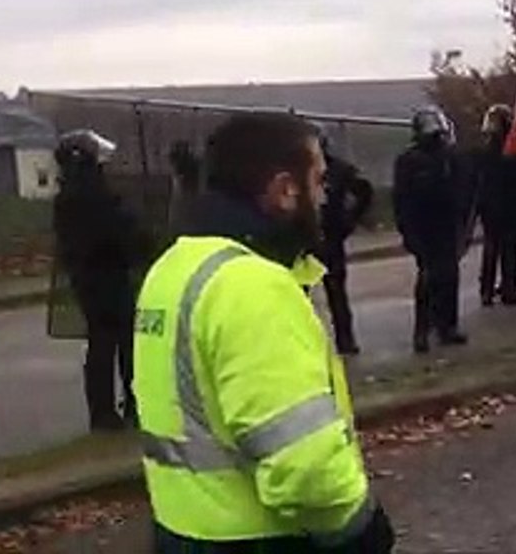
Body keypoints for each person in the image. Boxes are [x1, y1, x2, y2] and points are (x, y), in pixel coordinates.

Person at [134, 112, 395, 554]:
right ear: (285, 190)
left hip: (181, 528)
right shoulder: (253, 286)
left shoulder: (173, 267)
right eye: (318, 180)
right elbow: (306, 470)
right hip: (262, 539)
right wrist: (361, 530)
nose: (325, 194)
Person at [53, 130, 151, 432]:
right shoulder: (93, 195)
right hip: (107, 277)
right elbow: (118, 233)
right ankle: (127, 408)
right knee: (123, 344)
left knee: (102, 345)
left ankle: (103, 411)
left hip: (88, 279)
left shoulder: (68, 195)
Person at [394, 106, 469, 353]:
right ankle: (422, 330)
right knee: (428, 278)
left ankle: (448, 326)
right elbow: (401, 199)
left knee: (449, 276)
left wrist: (464, 224)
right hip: (423, 226)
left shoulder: (450, 156)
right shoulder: (409, 160)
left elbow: (463, 192)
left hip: (447, 224)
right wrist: (407, 232)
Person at [318, 137, 374, 355]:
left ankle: (346, 340)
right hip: (304, 239)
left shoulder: (338, 170)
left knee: (337, 292)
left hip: (332, 237)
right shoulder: (295, 169)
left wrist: (350, 219)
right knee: (298, 292)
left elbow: (364, 190)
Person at [476, 104, 516, 307]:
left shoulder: (484, 148)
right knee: (510, 249)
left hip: (489, 204)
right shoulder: (515, 148)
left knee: (491, 247)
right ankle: (509, 289)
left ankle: (486, 291)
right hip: (510, 204)